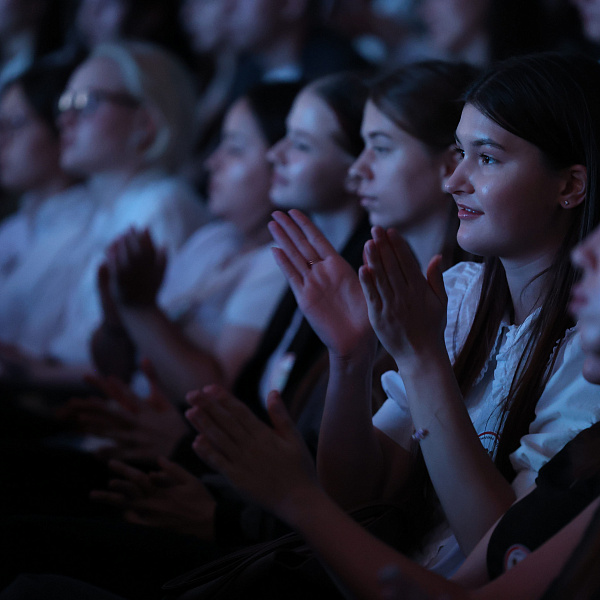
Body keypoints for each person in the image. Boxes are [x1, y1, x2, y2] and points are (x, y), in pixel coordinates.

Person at [185, 50, 600, 595]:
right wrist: (350, 355)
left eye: (489, 158)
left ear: (570, 185)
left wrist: (421, 358)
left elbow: (496, 554)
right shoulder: (460, 292)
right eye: (458, 153)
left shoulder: (590, 351)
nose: (454, 181)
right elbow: (359, 497)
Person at [0, 40, 207, 393]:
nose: (64, 119)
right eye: (64, 103)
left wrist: (33, 375)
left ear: (146, 123)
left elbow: (143, 367)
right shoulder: (110, 209)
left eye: (86, 103)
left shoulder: (160, 206)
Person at [88, 81, 301, 405]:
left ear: (283, 161)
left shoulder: (278, 262)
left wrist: (140, 307)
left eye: (234, 148)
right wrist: (116, 316)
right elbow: (113, 370)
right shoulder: (214, 237)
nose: (212, 162)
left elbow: (216, 397)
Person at [0, 58, 84, 369]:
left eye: (15, 124)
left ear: (60, 127)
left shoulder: (86, 229)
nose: (2, 141)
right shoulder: (13, 227)